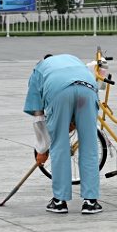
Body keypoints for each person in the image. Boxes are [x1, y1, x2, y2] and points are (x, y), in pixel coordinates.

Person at [24, 54, 102, 214]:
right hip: (88, 90)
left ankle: (60, 201)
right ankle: (90, 201)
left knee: (59, 145)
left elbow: (39, 119)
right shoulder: (73, 59)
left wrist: (42, 149)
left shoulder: (38, 71)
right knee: (90, 145)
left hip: (59, 92)